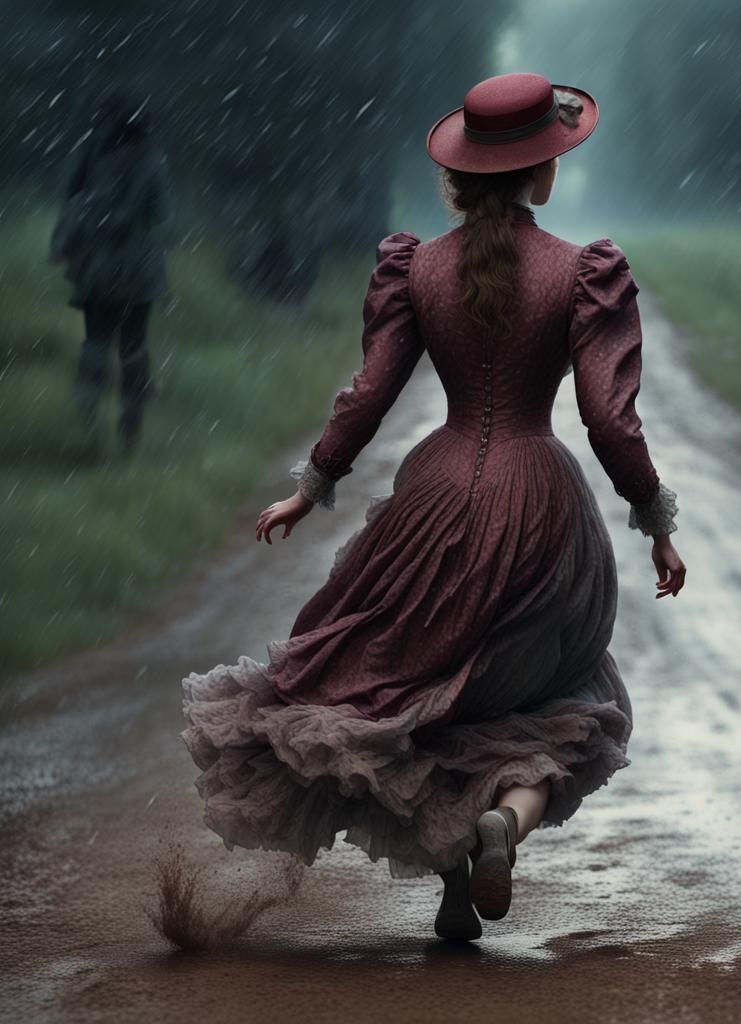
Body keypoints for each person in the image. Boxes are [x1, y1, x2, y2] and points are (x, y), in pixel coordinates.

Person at [180, 73, 686, 942]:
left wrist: (311, 486)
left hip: (435, 495)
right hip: (541, 509)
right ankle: (505, 827)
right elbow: (609, 417)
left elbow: (370, 392)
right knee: (558, 698)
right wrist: (655, 519)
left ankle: (458, 889)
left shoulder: (417, 267)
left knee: (428, 697)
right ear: (542, 173)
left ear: (461, 173)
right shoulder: (582, 272)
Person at [49, 88, 173, 459]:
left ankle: (88, 421)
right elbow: (164, 215)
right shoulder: (151, 161)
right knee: (134, 347)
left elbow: (69, 201)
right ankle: (130, 424)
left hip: (96, 267)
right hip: (138, 269)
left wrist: (68, 241)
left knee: (96, 341)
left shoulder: (91, 154)